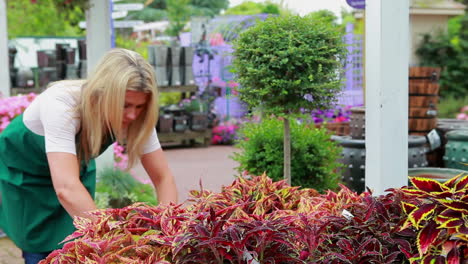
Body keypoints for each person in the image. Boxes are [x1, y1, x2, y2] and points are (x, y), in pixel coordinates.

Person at [0, 48, 178, 264]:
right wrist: (117, 245)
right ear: (103, 95)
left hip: (73, 171)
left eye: (139, 106)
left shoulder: (137, 116)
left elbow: (163, 178)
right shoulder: (62, 104)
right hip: (27, 177)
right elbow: (65, 189)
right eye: (125, 106)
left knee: (83, 242)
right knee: (41, 247)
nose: (132, 114)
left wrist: (167, 233)